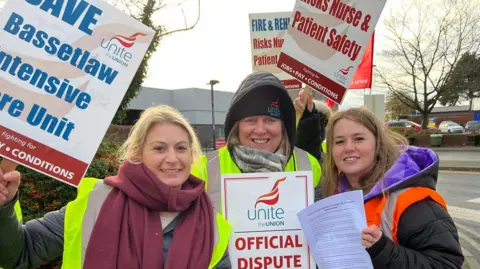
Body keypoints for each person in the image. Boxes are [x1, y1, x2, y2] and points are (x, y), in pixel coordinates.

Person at [0, 105, 231, 269]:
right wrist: (4, 207)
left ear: (192, 155)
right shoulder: (95, 203)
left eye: (181, 148)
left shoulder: (212, 224)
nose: (172, 158)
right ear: (137, 154)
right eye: (159, 148)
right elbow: (20, 253)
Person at [322, 107, 464, 268]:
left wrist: (383, 250)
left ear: (378, 143)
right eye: (339, 141)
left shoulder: (412, 201)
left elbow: (446, 264)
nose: (348, 147)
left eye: (359, 139)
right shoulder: (334, 197)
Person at [191, 71, 322, 212]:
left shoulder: (309, 165)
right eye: (251, 120)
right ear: (237, 126)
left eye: (270, 120)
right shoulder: (203, 170)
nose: (260, 130)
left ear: (283, 126)